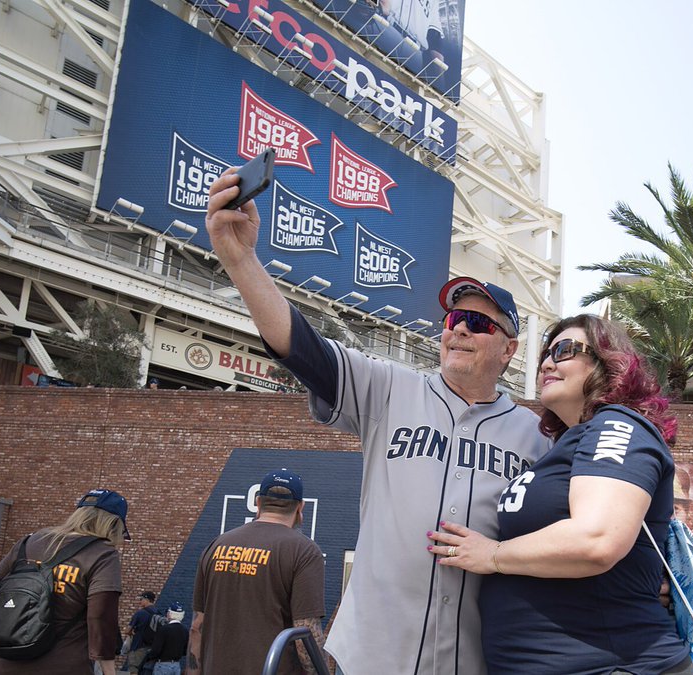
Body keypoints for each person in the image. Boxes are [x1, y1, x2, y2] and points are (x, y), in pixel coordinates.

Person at [204, 168, 548, 675]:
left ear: (509, 347)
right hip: (369, 658)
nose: (459, 331)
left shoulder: (535, 436)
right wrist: (242, 261)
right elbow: (302, 348)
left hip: (476, 662)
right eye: (454, 320)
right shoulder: (390, 388)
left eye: (478, 323)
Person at [426, 315, 692, 674]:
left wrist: (493, 554)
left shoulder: (616, 424)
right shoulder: (567, 444)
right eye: (545, 356)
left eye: (566, 350)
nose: (549, 362)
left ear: (608, 363)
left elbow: (596, 539)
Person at [0, 488, 128, 674]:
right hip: (64, 665)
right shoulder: (102, 554)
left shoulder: (29, 542)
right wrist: (109, 670)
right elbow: (100, 617)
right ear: (113, 524)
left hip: (7, 664)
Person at [188, 469, 326, 675]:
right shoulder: (303, 551)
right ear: (300, 508)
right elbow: (306, 631)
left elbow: (197, 626)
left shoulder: (216, 546)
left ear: (258, 503)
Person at [145, 603, 188, 675]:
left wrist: (148, 657)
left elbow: (156, 650)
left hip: (162, 664)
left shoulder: (164, 629)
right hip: (176, 665)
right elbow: (185, 650)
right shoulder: (185, 630)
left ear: (170, 614)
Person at [124, 591, 158, 674]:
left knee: (133, 669)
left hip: (138, 647)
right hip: (152, 648)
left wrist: (131, 633)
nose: (140, 601)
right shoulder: (159, 613)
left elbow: (127, 630)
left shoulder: (140, 613)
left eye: (141, 599)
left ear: (147, 600)